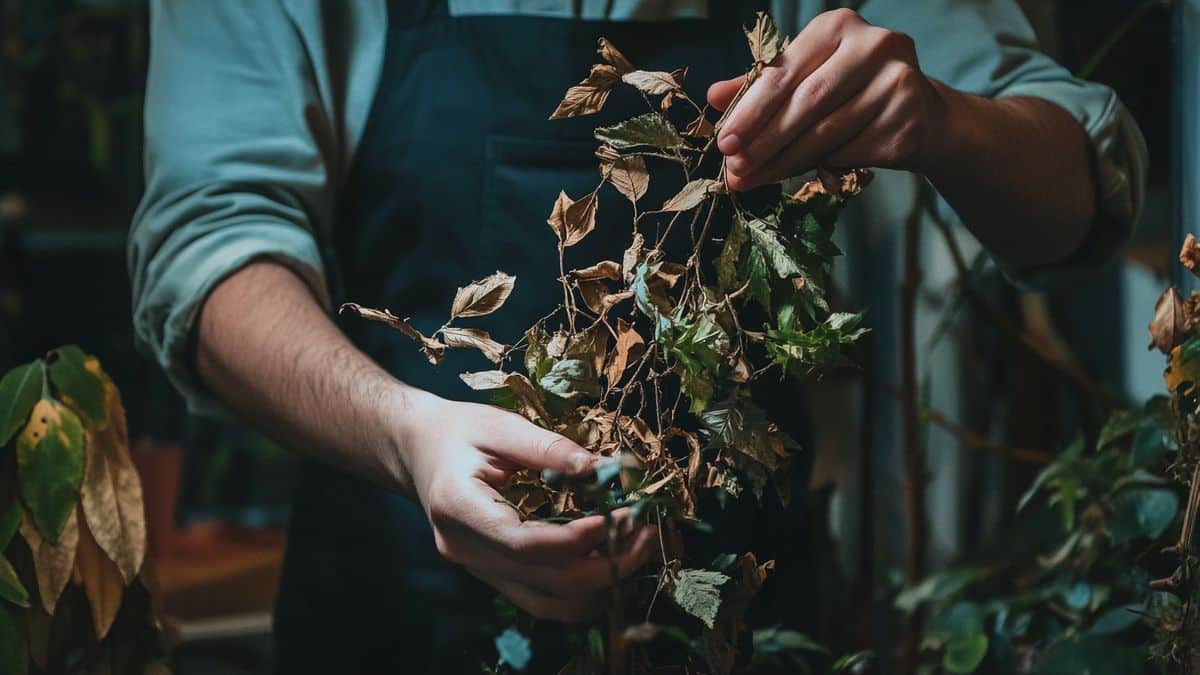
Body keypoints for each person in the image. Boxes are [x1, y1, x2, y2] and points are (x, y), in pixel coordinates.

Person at [128, 1, 1146, 673]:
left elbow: (1081, 198)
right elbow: (210, 251)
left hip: (735, 625)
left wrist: (946, 122)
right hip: (392, 608)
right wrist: (409, 434)